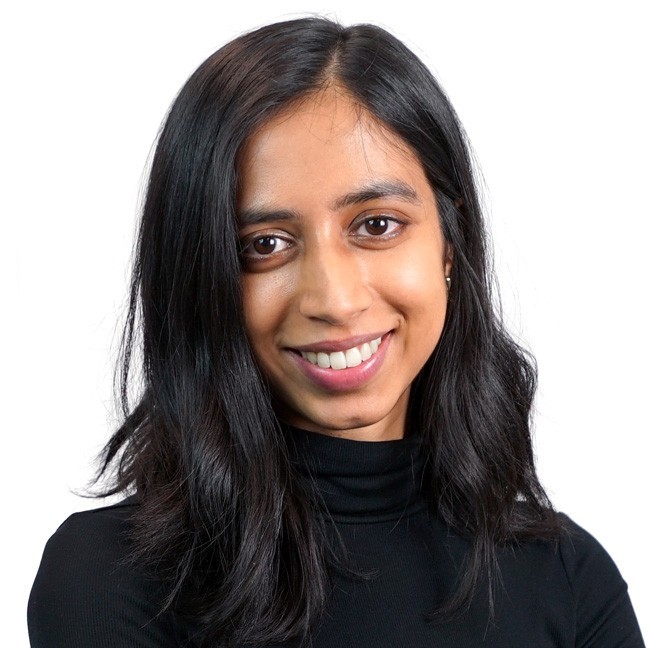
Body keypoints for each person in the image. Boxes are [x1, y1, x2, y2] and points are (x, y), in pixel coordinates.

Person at [27, 16, 644, 648]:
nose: (335, 299)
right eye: (264, 245)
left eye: (377, 225)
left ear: (450, 246)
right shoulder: (110, 579)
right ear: (200, 278)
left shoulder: (567, 581)